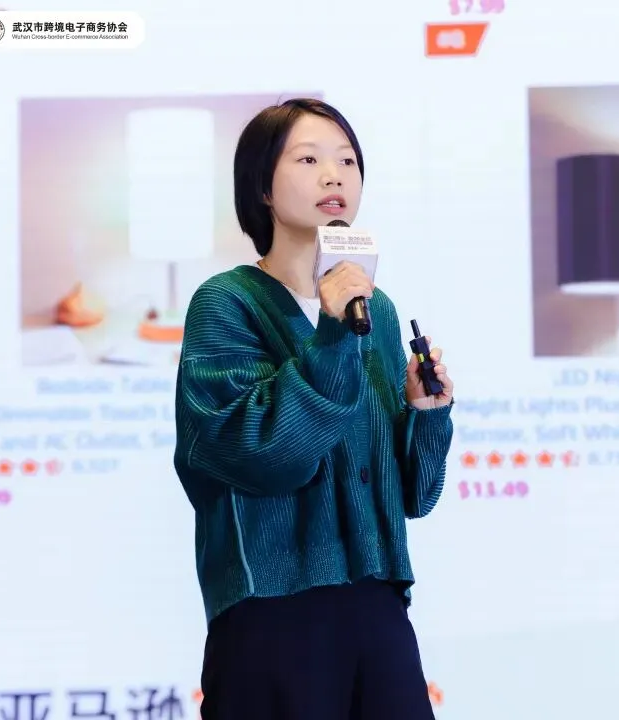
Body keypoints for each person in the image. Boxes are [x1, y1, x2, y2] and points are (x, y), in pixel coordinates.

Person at [173, 98, 455, 720]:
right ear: (262, 189)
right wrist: (331, 337)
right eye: (308, 160)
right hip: (272, 612)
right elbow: (262, 456)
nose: (334, 176)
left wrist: (428, 416)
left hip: (377, 604)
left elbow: (415, 497)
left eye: (347, 161)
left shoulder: (375, 310)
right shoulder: (226, 303)